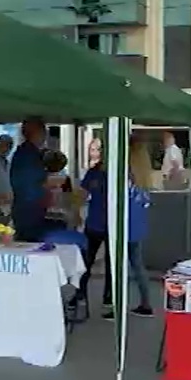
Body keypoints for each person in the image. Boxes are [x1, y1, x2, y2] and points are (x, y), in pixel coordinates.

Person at [71, 136, 155, 319]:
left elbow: (83, 194)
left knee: (86, 262)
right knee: (125, 265)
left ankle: (79, 296)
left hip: (100, 223)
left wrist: (75, 211)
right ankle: (119, 302)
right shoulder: (141, 176)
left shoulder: (104, 172)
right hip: (129, 227)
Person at [10, 118, 49, 242]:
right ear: (37, 133)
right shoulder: (28, 155)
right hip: (29, 208)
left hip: (26, 207)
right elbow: (30, 183)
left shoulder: (26, 153)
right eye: (44, 132)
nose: (45, 136)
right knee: (30, 244)